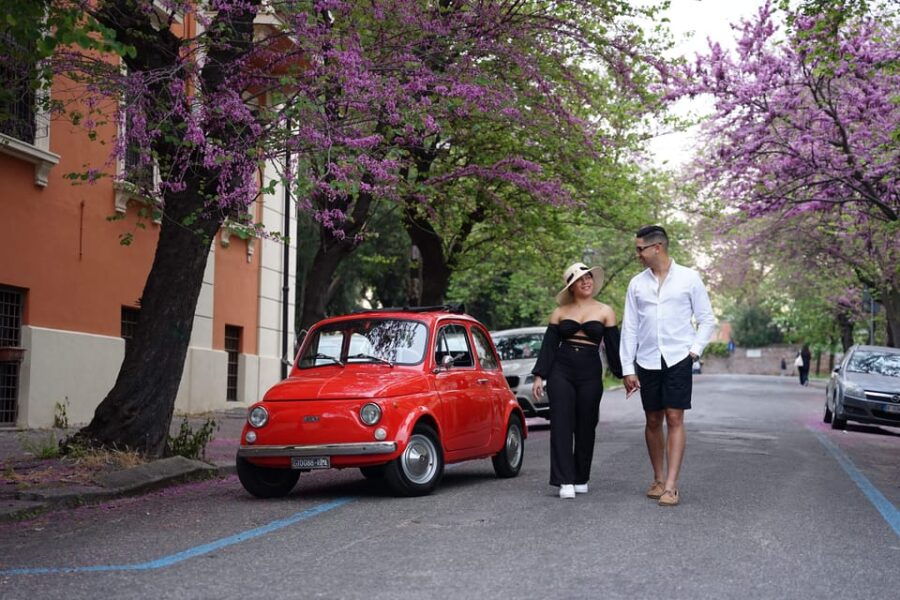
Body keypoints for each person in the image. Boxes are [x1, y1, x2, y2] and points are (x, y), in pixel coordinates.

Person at [620, 225, 716, 507]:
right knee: (652, 420)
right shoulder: (637, 284)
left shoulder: (689, 278)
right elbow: (630, 327)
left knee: (675, 417)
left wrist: (694, 352)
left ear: (657, 247)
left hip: (678, 358)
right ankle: (658, 478)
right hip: (647, 359)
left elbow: (707, 319)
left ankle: (672, 486)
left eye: (641, 249)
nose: (637, 254)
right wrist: (628, 367)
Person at [531, 262, 623, 499]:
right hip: (561, 368)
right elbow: (549, 348)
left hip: (590, 370)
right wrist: (540, 375)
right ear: (572, 286)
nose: (586, 282)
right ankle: (565, 481)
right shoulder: (559, 313)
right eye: (581, 279)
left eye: (589, 278)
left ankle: (581, 476)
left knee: (586, 424)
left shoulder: (605, 311)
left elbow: (614, 349)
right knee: (561, 424)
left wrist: (627, 374)